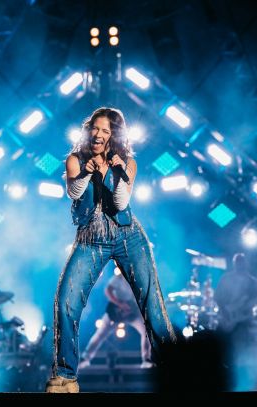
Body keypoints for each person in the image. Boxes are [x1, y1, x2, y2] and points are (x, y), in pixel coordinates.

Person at [47, 107, 177, 393]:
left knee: (152, 304)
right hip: (90, 239)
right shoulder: (75, 160)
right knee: (66, 301)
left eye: (105, 130)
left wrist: (108, 171)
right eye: (95, 128)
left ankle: (177, 371)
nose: (98, 134)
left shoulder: (127, 163)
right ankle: (66, 377)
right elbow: (74, 193)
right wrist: (88, 171)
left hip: (128, 236)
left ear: (113, 135)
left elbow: (120, 203)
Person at [78, 267, 153, 369]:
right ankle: (85, 358)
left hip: (133, 312)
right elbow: (107, 291)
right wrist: (120, 304)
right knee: (100, 333)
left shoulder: (139, 280)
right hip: (116, 311)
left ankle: (146, 359)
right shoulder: (118, 278)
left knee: (146, 332)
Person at [214, 253, 257, 390]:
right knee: (226, 349)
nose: (240, 264)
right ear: (234, 264)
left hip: (244, 321)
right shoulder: (226, 279)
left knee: (242, 351)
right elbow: (217, 297)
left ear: (246, 264)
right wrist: (225, 312)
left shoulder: (252, 282)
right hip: (228, 320)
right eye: (238, 262)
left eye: (242, 262)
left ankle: (242, 378)